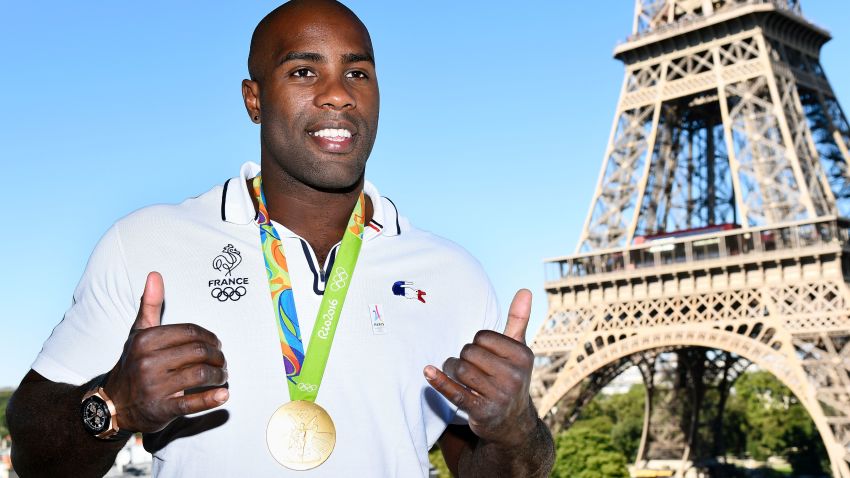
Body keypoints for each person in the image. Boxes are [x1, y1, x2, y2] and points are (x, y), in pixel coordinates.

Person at [7, 1, 555, 476]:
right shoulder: (147, 242)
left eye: (358, 73)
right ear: (253, 99)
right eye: (303, 72)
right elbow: (33, 457)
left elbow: (491, 470)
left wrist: (516, 429)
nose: (338, 94)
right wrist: (116, 404)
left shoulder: (452, 275)